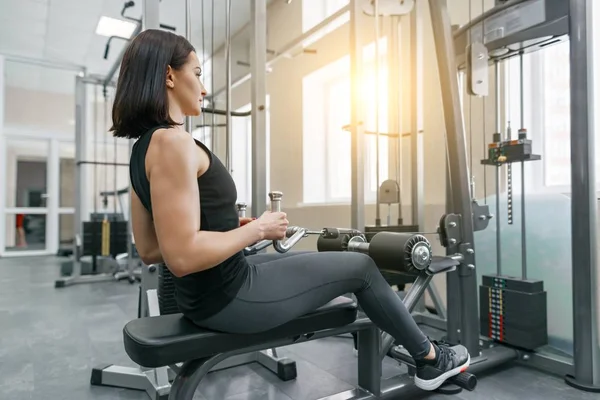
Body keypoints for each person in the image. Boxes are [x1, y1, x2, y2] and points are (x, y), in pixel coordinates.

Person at [111, 29, 469, 391]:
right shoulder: (174, 142)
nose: (204, 89)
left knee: (307, 259)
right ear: (170, 76)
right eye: (198, 74)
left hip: (207, 293)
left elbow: (152, 248)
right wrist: (259, 230)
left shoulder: (142, 149)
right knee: (361, 267)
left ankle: (416, 350)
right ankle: (430, 360)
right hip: (228, 299)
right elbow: (182, 257)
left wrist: (230, 225)